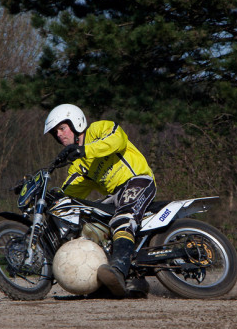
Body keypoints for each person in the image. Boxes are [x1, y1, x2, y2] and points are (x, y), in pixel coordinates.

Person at [44, 104, 156, 298]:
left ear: (76, 122)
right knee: (92, 224)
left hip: (138, 180)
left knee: (122, 219)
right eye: (56, 133)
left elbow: (117, 140)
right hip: (114, 196)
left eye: (62, 128)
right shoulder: (79, 166)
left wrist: (85, 150)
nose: (60, 135)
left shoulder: (98, 129)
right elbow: (70, 192)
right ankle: (113, 281)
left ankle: (119, 269)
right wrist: (47, 199)